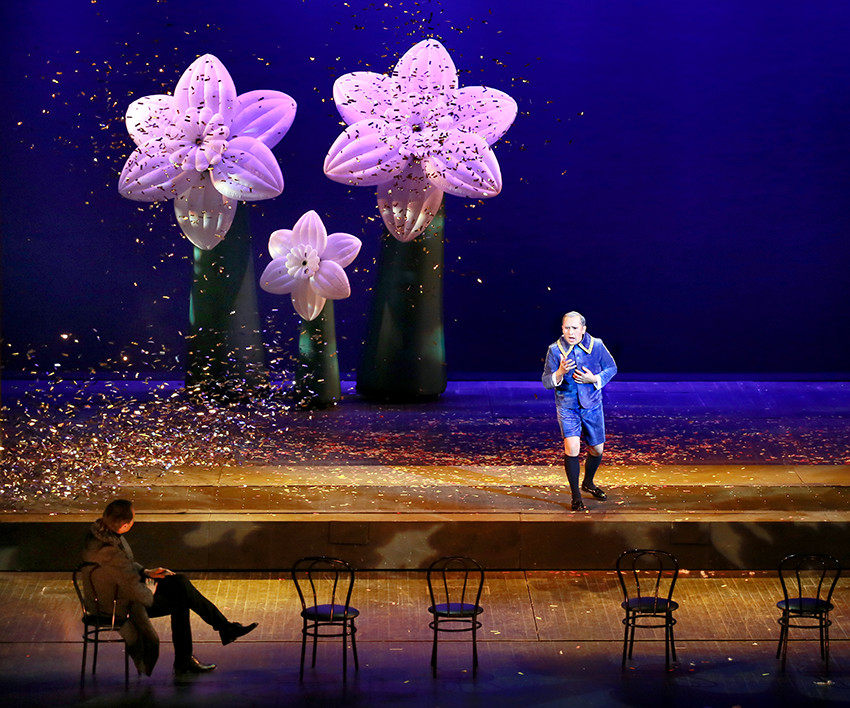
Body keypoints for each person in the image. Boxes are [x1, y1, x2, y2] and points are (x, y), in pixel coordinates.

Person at [82, 499, 258, 674]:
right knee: (180, 600)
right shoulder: (109, 550)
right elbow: (131, 586)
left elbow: (122, 568)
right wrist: (149, 591)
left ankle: (223, 629)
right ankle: (197, 650)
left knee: (178, 581)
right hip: (117, 605)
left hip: (118, 593)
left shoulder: (102, 537)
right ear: (125, 525)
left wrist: (145, 571)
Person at [542, 311, 617, 511]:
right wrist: (560, 372)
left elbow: (611, 368)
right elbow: (546, 381)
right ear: (562, 329)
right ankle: (576, 497)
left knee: (597, 449)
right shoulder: (555, 350)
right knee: (572, 448)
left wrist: (595, 379)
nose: (571, 332)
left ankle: (588, 483)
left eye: (575, 328)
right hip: (567, 406)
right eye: (567, 328)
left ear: (583, 329)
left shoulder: (597, 345)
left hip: (592, 406)